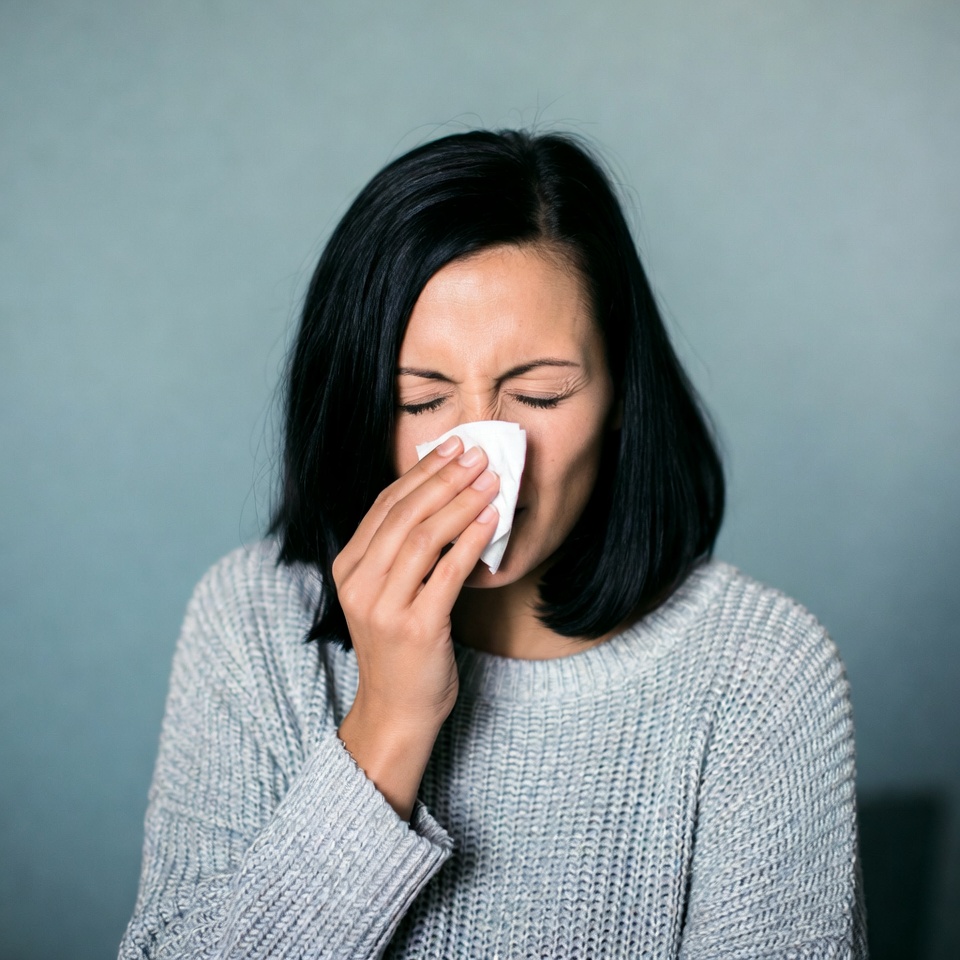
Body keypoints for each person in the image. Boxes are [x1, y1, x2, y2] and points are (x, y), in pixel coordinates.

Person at [120, 129, 867, 959]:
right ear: (362, 410)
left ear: (621, 390)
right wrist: (389, 721)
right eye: (421, 400)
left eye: (540, 394)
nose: (480, 459)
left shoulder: (760, 672)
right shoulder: (254, 619)